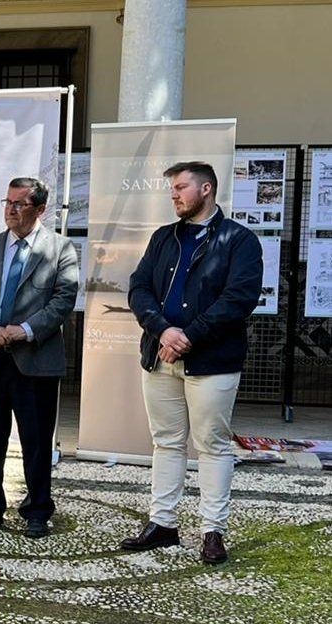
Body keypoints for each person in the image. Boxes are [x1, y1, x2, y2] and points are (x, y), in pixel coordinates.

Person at [121, 161, 262, 564]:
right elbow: (139, 288)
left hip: (213, 362)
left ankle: (212, 532)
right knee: (166, 442)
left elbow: (239, 299)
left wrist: (188, 337)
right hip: (159, 355)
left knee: (213, 446)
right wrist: (163, 331)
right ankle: (162, 524)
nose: (174, 195)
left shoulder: (240, 240)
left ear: (206, 189)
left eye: (181, 187)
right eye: (172, 189)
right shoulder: (163, 237)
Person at [0, 177, 79, 540]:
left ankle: (38, 510)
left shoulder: (61, 249)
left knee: (37, 441)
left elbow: (63, 301)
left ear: (40, 209)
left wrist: (23, 329)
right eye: (7, 202)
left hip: (35, 360)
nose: (10, 209)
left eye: (19, 204)